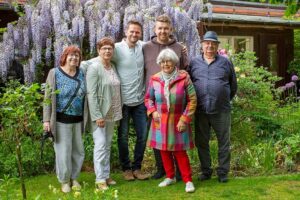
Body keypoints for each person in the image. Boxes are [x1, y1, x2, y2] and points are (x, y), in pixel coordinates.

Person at [143, 14, 189, 179]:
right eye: (160, 28)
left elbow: (184, 70)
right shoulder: (146, 47)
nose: (163, 31)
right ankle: (161, 169)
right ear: (155, 29)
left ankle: (177, 172)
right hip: (154, 99)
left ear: (171, 30)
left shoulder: (179, 48)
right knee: (158, 136)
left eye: (166, 28)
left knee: (176, 137)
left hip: (175, 101)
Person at [145, 48, 197, 193]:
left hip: (178, 120)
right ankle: (170, 176)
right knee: (164, 151)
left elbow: (192, 100)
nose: (165, 64)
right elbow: (148, 98)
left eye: (168, 61)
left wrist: (184, 119)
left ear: (174, 62)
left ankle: (188, 180)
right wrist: (153, 111)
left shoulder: (183, 77)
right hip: (160, 121)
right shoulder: (155, 79)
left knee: (180, 152)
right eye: (162, 62)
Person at [189, 31, 237, 183]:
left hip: (221, 110)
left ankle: (223, 173)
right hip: (200, 109)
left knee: (224, 142)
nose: (210, 46)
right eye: (207, 43)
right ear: (202, 45)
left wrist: (222, 98)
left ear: (217, 46)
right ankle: (206, 171)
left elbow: (233, 85)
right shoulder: (194, 63)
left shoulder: (226, 62)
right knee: (202, 142)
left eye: (213, 43)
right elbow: (188, 85)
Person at [43, 45, 87, 193]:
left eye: (77, 56)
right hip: (61, 121)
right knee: (63, 152)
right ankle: (64, 181)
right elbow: (47, 98)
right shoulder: (54, 73)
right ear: (64, 57)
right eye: (71, 55)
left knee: (78, 151)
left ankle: (75, 178)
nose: (74, 58)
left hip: (78, 120)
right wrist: (46, 120)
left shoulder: (82, 73)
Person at [112, 20, 149, 181]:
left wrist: (181, 47)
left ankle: (137, 168)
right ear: (125, 32)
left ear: (140, 34)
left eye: (137, 32)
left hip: (140, 101)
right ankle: (126, 169)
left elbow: (161, 45)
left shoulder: (143, 46)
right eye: (132, 31)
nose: (134, 34)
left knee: (143, 135)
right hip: (123, 102)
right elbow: (101, 58)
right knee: (123, 137)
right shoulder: (116, 49)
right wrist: (80, 64)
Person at [84, 37, 122, 190]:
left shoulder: (112, 66)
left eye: (110, 48)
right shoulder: (94, 68)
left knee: (106, 145)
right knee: (100, 145)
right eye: (104, 48)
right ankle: (100, 179)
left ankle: (106, 175)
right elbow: (91, 93)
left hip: (112, 112)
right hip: (100, 114)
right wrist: (97, 115)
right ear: (98, 51)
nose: (107, 51)